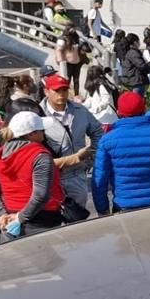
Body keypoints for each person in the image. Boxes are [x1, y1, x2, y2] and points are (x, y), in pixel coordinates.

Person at [91, 91, 150, 215]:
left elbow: (99, 179)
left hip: (124, 207)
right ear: (144, 109)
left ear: (119, 112)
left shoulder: (107, 140)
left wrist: (102, 210)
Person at [0, 112, 65, 239]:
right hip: (41, 221)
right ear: (31, 134)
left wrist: (1, 214)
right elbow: (41, 196)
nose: (43, 132)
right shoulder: (40, 156)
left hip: (10, 223)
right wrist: (20, 218)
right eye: (40, 129)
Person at [40, 74, 103, 208]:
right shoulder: (38, 114)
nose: (61, 94)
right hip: (50, 178)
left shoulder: (79, 110)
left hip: (77, 175)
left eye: (64, 90)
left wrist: (93, 155)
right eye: (57, 91)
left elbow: (97, 131)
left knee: (78, 218)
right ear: (46, 91)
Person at [55, 23, 83, 94]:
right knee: (67, 80)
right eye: (71, 28)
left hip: (77, 62)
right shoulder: (63, 38)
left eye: (73, 28)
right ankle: (65, 94)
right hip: (67, 63)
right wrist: (61, 61)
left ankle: (76, 94)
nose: (73, 30)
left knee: (76, 80)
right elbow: (59, 50)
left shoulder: (76, 37)